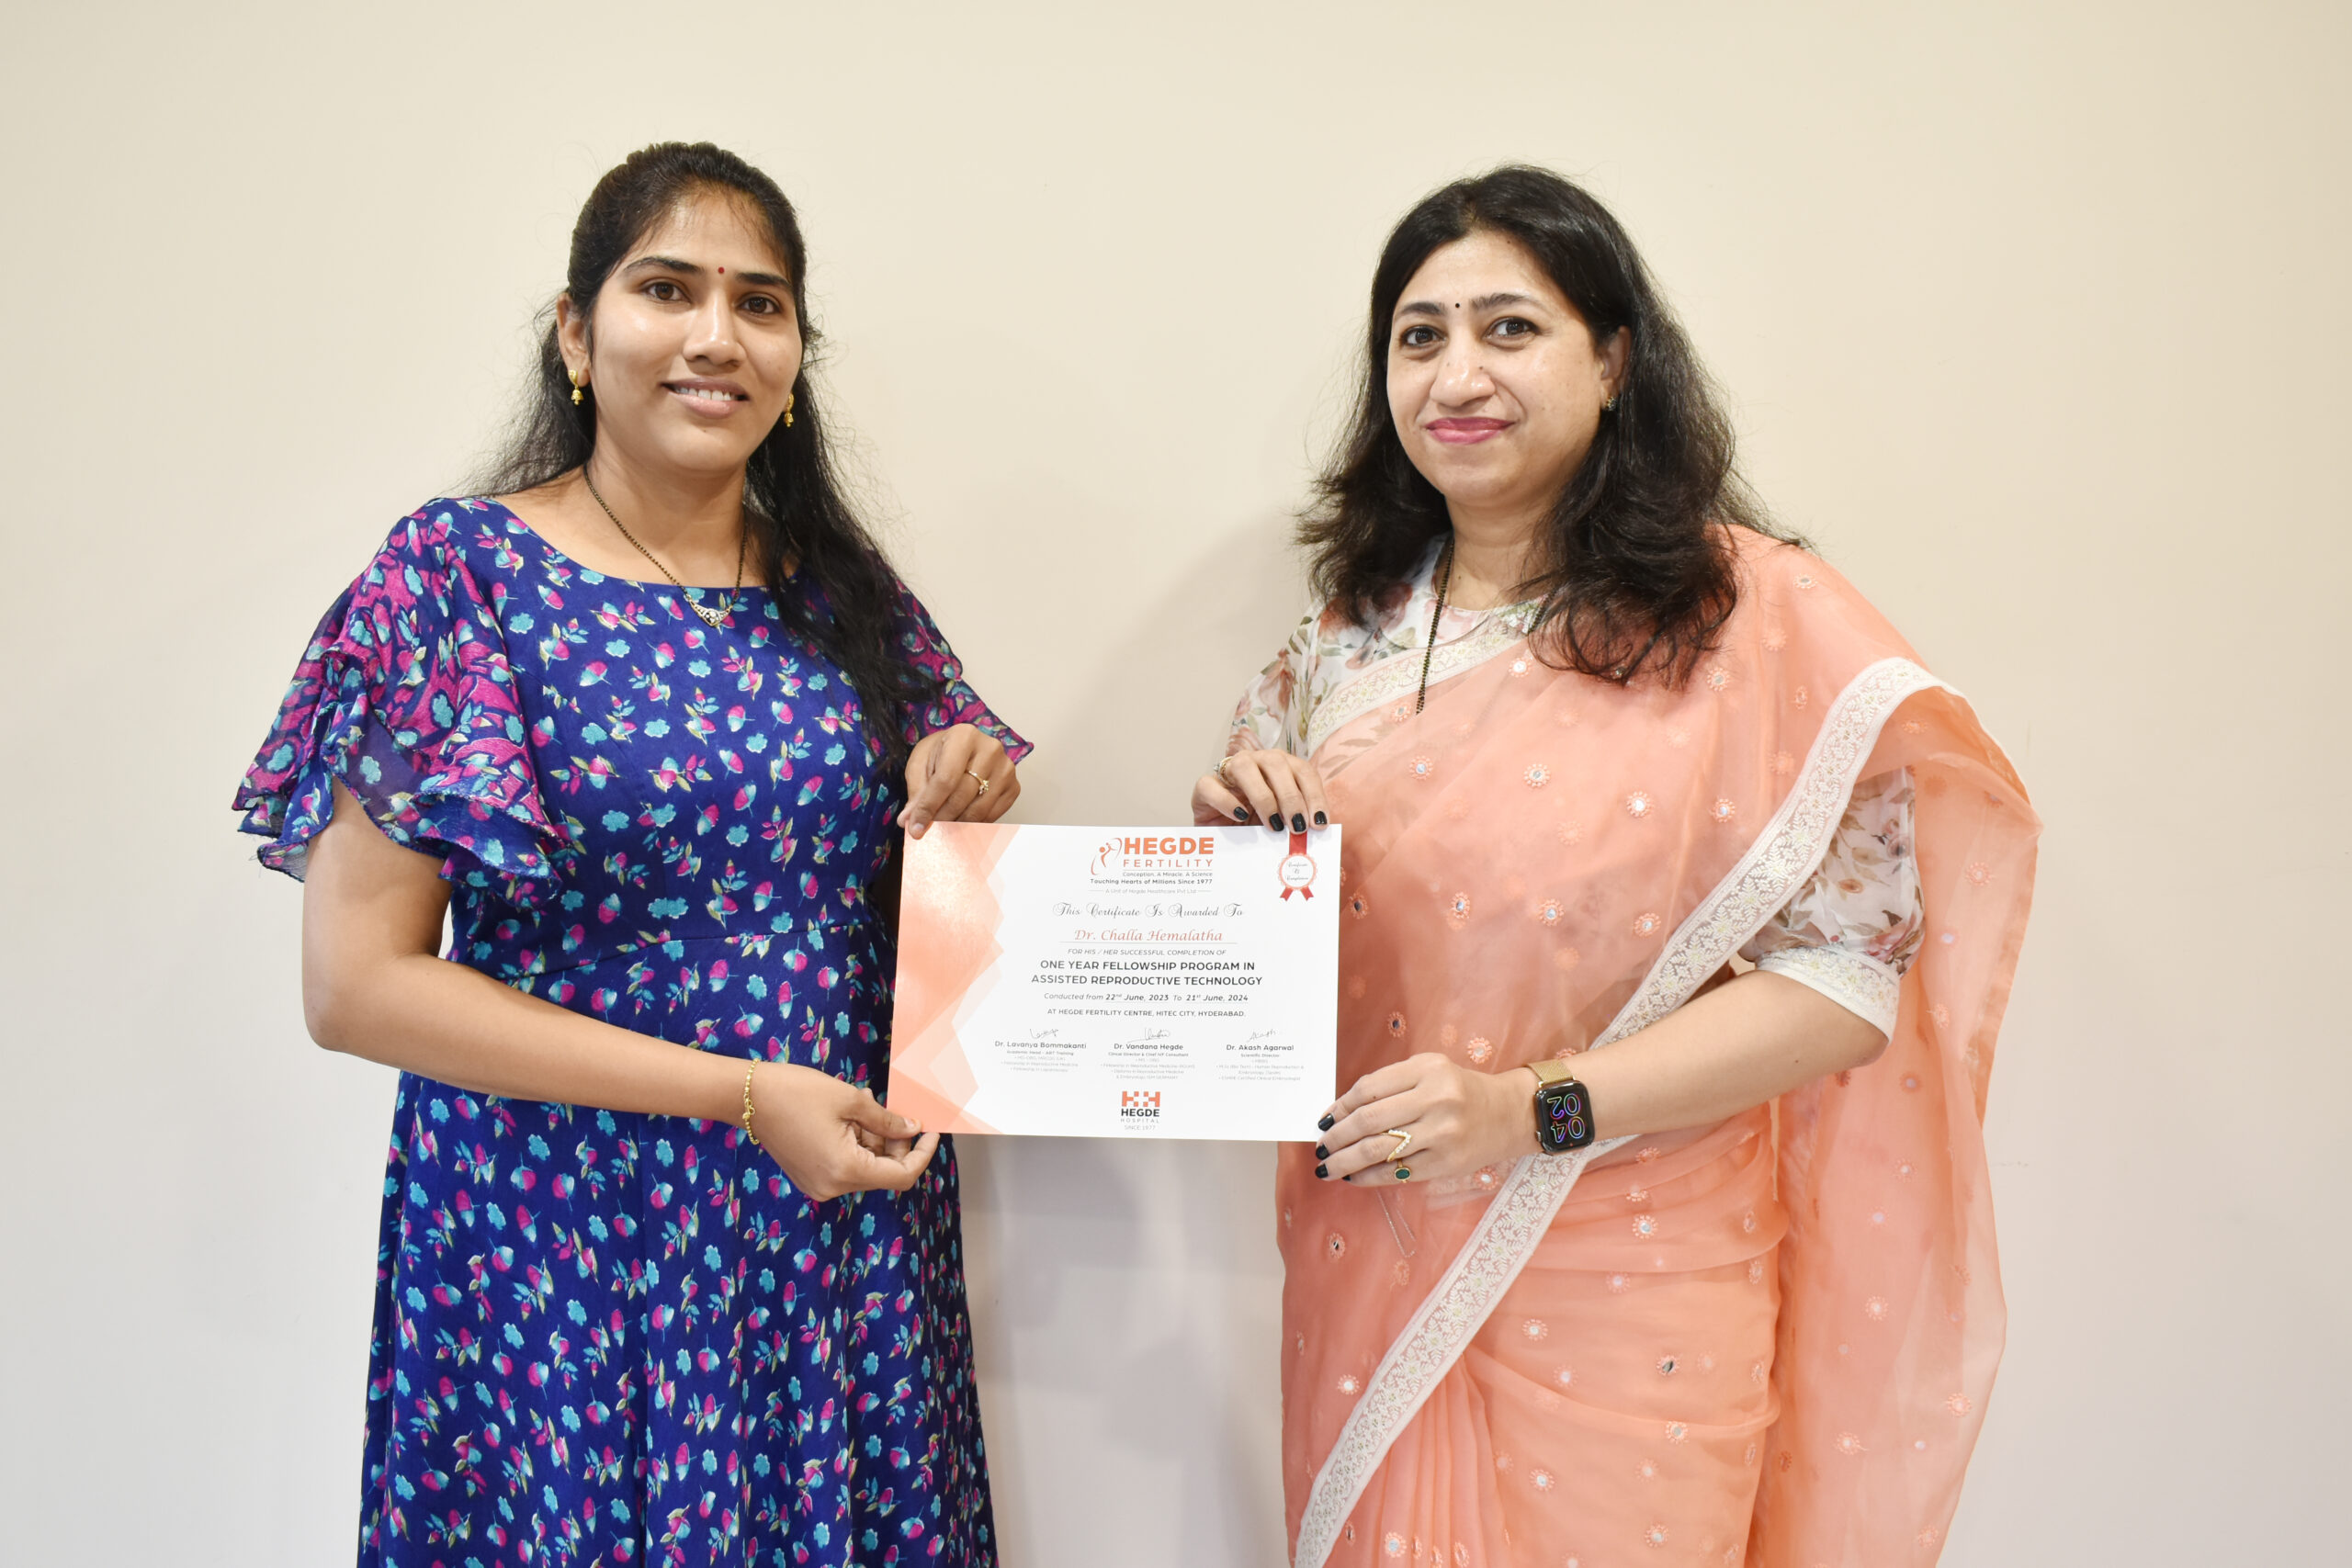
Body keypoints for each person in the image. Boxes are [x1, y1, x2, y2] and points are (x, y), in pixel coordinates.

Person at [1193, 167, 2038, 1567]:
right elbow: (1273, 965)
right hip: (1371, 1253)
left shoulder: (1750, 619)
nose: (1457, 374)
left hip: (1637, 1275)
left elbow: (1844, 985)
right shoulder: (1344, 640)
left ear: (1614, 360)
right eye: (1418, 336)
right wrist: (1234, 843)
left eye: (1510, 328)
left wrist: (1526, 1110)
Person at [234, 142, 1023, 1567]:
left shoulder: (840, 591)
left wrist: (963, 779)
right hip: (562, 1234)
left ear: (795, 358)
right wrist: (740, 1096)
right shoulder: (453, 577)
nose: (717, 335)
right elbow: (357, 988)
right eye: (668, 290)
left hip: (821, 1230)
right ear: (575, 334)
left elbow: (942, 845)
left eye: (760, 303)